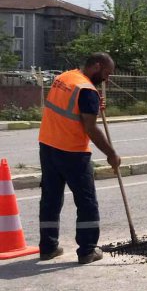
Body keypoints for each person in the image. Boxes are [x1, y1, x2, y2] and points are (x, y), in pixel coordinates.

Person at [38, 52, 122, 264]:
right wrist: (111, 154)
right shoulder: (86, 90)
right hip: (72, 152)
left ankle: (48, 248)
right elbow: (90, 128)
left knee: (50, 198)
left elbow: (71, 107)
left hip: (48, 146)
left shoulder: (64, 78)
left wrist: (92, 106)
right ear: (95, 65)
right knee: (86, 202)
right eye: (106, 73)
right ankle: (87, 250)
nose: (107, 79)